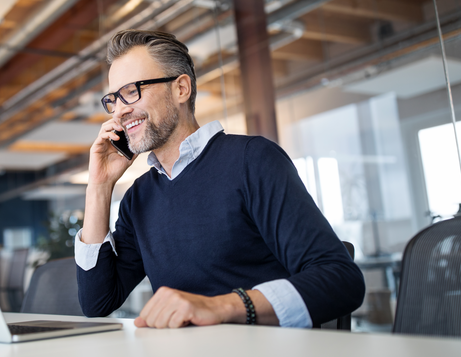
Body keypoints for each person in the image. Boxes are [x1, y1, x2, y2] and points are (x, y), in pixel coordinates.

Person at [75, 29, 365, 329]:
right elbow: (98, 302)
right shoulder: (139, 197)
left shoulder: (252, 160)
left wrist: (221, 307)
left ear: (181, 89)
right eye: (113, 99)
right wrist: (98, 187)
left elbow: (341, 280)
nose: (120, 111)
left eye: (132, 91)